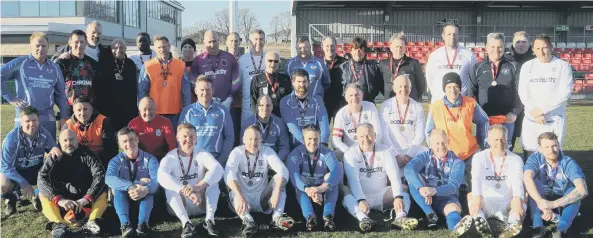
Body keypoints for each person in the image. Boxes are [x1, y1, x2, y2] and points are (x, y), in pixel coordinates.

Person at [342, 123, 418, 232]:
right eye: (362, 136)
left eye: (369, 135)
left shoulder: (386, 151)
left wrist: (398, 197)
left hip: (381, 195)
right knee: (346, 191)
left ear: (375, 135)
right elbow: (353, 180)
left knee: (403, 189)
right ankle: (364, 219)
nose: (366, 139)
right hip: (359, 197)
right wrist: (361, 199)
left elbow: (394, 174)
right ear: (357, 138)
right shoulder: (350, 153)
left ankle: (400, 217)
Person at [225, 126, 295, 236]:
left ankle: (277, 218)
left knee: (280, 182)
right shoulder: (237, 152)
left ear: (261, 140)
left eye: (256, 139)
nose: (253, 143)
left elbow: (283, 171)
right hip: (244, 199)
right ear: (244, 140)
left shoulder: (267, 151)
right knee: (233, 189)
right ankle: (248, 222)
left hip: (262, 198)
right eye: (250, 139)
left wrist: (276, 192)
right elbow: (228, 176)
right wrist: (240, 196)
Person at [38, 129, 108, 237]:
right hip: (63, 197)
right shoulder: (54, 156)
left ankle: (92, 221)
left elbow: (100, 174)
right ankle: (58, 224)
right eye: (65, 140)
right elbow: (42, 177)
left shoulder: (86, 153)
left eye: (71, 139)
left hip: (84, 195)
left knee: (103, 190)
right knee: (42, 193)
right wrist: (59, 199)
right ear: (59, 143)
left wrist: (87, 198)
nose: (68, 143)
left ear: (77, 140)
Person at [157, 123, 224, 237]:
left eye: (192, 136)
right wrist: (183, 190)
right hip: (181, 206)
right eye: (185, 136)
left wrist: (198, 187)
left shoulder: (202, 153)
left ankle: (209, 221)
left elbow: (218, 169)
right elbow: (161, 176)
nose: (188, 139)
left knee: (212, 182)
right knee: (170, 188)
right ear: (177, 138)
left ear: (196, 138)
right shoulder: (170, 157)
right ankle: (186, 224)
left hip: (201, 203)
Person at [426, 72, 489, 188]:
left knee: (474, 188)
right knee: (449, 188)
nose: (452, 90)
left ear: (460, 87)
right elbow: (429, 132)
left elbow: (483, 121)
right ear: (444, 88)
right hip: (447, 157)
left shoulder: (470, 103)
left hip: (469, 155)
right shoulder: (436, 107)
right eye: (449, 87)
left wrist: (483, 143)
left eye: (455, 86)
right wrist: (436, 152)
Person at [404, 130, 472, 237]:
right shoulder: (425, 156)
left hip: (445, 198)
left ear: (448, 142)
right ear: (430, 145)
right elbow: (409, 168)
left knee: (453, 208)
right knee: (412, 182)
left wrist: (434, 191)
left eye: (444, 142)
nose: (441, 146)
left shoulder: (457, 162)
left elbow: (453, 186)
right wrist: (421, 188)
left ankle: (457, 229)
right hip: (425, 198)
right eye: (437, 143)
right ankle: (430, 214)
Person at [1, 32, 68, 138]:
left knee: (50, 152)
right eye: (37, 45)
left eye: (43, 46)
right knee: (24, 152)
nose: (40, 48)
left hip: (47, 119)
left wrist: (64, 117)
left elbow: (61, 95)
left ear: (48, 47)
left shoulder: (55, 68)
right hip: (25, 118)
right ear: (31, 46)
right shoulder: (21, 63)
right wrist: (11, 98)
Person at [524, 132, 588, 238]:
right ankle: (538, 228)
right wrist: (542, 204)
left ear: (558, 145)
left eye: (554, 145)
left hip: (562, 203)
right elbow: (527, 177)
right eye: (546, 147)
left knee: (573, 190)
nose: (551, 150)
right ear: (539, 148)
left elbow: (583, 190)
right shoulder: (535, 158)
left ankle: (561, 230)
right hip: (541, 201)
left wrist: (552, 204)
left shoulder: (568, 162)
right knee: (533, 183)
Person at [1, 107, 62, 216]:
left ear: (39, 120)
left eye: (34, 120)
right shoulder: (11, 139)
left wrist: (55, 149)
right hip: (16, 170)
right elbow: (5, 166)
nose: (31, 124)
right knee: (3, 185)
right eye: (27, 121)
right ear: (21, 122)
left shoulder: (44, 133)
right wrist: (24, 184)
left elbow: (52, 148)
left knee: (56, 174)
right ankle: (12, 200)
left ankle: (37, 196)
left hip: (35, 168)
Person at [518, 34, 573, 157]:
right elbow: (523, 91)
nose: (542, 52)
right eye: (538, 49)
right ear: (533, 50)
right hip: (532, 118)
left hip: (553, 119)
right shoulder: (527, 66)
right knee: (530, 153)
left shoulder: (563, 66)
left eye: (544, 47)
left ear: (551, 47)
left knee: (552, 154)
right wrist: (533, 110)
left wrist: (542, 110)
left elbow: (565, 93)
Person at [467, 125, 526, 238]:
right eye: (496, 139)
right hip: (486, 201)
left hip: (507, 203)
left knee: (521, 199)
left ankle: (512, 226)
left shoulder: (516, 159)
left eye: (503, 139)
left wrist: (518, 199)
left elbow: (517, 181)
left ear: (507, 140)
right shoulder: (479, 157)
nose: (499, 143)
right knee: (471, 196)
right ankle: (481, 223)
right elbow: (476, 178)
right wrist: (478, 199)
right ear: (488, 140)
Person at [468, 33, 522, 145]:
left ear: (504, 47)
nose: (496, 50)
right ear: (487, 47)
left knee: (504, 151)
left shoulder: (513, 66)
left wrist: (514, 112)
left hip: (507, 119)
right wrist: (478, 115)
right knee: (484, 150)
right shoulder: (477, 68)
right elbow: (471, 93)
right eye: (492, 47)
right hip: (485, 120)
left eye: (499, 47)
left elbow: (520, 92)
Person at [286, 125, 342, 231]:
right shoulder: (295, 153)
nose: (313, 142)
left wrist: (320, 189)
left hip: (321, 186)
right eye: (309, 139)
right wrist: (308, 190)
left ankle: (328, 217)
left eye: (316, 138)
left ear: (320, 138)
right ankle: (310, 217)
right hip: (305, 186)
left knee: (330, 177)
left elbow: (337, 171)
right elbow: (294, 175)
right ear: (303, 139)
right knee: (300, 181)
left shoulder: (327, 152)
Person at [106, 127, 160, 237]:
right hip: (123, 200)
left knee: (148, 192)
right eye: (124, 141)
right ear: (120, 145)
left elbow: (157, 180)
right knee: (118, 189)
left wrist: (146, 189)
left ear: (137, 139)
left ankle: (143, 225)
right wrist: (132, 185)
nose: (129, 144)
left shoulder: (150, 159)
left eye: (131, 139)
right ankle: (125, 225)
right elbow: (109, 178)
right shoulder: (116, 160)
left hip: (144, 200)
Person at [179, 75, 234, 166]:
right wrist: (187, 161)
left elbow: (229, 137)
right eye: (202, 90)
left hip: (216, 159)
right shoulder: (187, 112)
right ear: (196, 91)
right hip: (193, 160)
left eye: (208, 90)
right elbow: (180, 138)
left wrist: (220, 161)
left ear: (213, 90)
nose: (205, 93)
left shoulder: (222, 111)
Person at [138, 35, 191, 129]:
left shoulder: (180, 65)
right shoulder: (148, 66)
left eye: (164, 46)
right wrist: (145, 111)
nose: (162, 49)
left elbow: (186, 91)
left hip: (176, 113)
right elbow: (142, 92)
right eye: (159, 47)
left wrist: (187, 111)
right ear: (155, 48)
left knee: (174, 141)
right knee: (156, 142)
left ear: (169, 46)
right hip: (154, 113)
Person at [380, 75, 428, 177]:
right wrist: (395, 155)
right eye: (400, 86)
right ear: (394, 88)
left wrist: (408, 156)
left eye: (406, 86)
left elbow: (420, 135)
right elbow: (384, 134)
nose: (403, 89)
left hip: (411, 150)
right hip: (392, 150)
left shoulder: (417, 107)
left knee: (426, 152)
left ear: (410, 89)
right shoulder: (386, 106)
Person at [425, 23, 477, 103]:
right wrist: (437, 94)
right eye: (449, 34)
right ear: (443, 35)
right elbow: (429, 78)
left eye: (455, 34)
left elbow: (473, 80)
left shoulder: (469, 55)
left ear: (458, 35)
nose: (452, 37)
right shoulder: (435, 55)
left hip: (462, 103)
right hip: (440, 102)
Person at [279, 69, 330, 148]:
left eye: (304, 81)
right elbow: (292, 127)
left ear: (309, 82)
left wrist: (323, 143)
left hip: (316, 145)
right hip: (294, 147)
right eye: (299, 82)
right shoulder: (285, 102)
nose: (302, 85)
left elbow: (324, 124)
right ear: (293, 83)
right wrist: (307, 145)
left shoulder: (317, 100)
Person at [191, 30, 240, 110]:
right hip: (206, 105)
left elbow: (236, 80)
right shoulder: (198, 60)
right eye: (209, 42)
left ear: (219, 41)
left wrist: (230, 98)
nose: (212, 45)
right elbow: (193, 83)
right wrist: (205, 97)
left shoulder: (230, 58)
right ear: (204, 43)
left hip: (227, 105)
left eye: (214, 41)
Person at [332, 83, 382, 160]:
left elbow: (378, 132)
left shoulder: (371, 107)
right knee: (336, 154)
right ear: (346, 98)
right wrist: (348, 151)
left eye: (357, 94)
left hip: (370, 146)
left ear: (362, 95)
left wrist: (369, 146)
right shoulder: (341, 114)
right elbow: (335, 140)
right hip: (350, 150)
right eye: (351, 95)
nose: (354, 98)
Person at [97, 38, 138, 132]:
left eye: (122, 47)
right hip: (110, 108)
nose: (119, 50)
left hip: (129, 108)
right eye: (115, 47)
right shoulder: (104, 64)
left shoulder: (131, 64)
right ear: (110, 49)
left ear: (126, 48)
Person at [63, 96, 117, 166]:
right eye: (79, 110)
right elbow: (62, 149)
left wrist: (93, 161)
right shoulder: (68, 125)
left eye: (85, 109)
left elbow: (111, 151)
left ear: (92, 109)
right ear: (73, 110)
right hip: (77, 161)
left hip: (100, 161)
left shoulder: (104, 122)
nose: (82, 113)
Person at [505, 31, 535, 152]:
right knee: (508, 141)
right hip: (509, 106)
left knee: (529, 143)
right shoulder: (506, 59)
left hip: (529, 107)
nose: (521, 44)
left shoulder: (535, 59)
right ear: (513, 43)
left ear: (529, 44)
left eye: (524, 42)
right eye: (518, 42)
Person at [55, 30, 99, 111]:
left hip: (88, 112)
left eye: (82, 42)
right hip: (68, 112)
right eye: (76, 42)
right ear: (70, 43)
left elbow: (98, 88)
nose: (79, 45)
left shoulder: (93, 64)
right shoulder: (62, 63)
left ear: (86, 43)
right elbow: (55, 88)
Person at [241, 95, 290, 161]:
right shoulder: (247, 124)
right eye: (261, 105)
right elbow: (243, 146)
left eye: (268, 105)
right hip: (253, 162)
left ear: (272, 107)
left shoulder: (280, 123)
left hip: (273, 161)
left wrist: (275, 161)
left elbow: (284, 147)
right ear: (256, 107)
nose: (265, 108)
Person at [379, 32, 426, 102]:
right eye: (396, 46)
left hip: (409, 103)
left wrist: (412, 97)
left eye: (401, 46)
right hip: (390, 104)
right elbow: (380, 85)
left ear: (405, 48)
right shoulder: (383, 64)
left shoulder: (413, 63)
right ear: (391, 47)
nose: (399, 49)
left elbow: (421, 85)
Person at [337, 36, 385, 102]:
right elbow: (339, 89)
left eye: (361, 49)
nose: (357, 52)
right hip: (349, 105)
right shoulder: (343, 68)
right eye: (355, 49)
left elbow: (379, 86)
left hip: (368, 104)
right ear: (351, 51)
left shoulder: (373, 67)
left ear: (365, 52)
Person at [250, 51, 292, 117]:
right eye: (270, 60)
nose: (273, 64)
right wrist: (258, 117)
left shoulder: (285, 79)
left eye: (276, 61)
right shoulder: (257, 79)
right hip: (264, 117)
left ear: (279, 63)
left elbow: (290, 100)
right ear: (265, 61)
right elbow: (253, 102)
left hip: (281, 118)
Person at [239, 29, 267, 120]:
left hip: (265, 103)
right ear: (251, 41)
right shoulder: (243, 60)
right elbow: (239, 83)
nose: (258, 42)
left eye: (261, 39)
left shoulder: (269, 58)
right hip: (248, 105)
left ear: (265, 41)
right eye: (256, 39)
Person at [321, 36, 348, 121]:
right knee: (323, 133)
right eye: (327, 46)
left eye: (332, 45)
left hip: (341, 103)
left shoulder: (345, 63)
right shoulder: (318, 63)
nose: (330, 48)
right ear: (322, 47)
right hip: (323, 104)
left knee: (340, 133)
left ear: (336, 46)